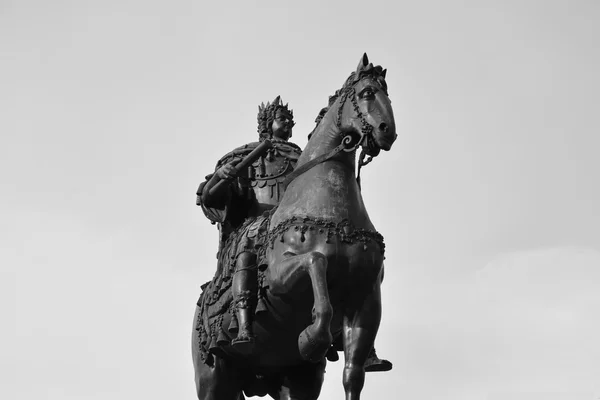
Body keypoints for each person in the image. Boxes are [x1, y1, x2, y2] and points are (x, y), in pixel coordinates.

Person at [196, 96, 391, 370]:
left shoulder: (304, 157)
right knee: (247, 246)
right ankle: (243, 325)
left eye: (290, 120)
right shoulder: (246, 156)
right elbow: (210, 198)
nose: (288, 123)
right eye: (281, 118)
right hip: (259, 224)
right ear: (266, 124)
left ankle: (359, 339)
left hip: (297, 224)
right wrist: (222, 178)